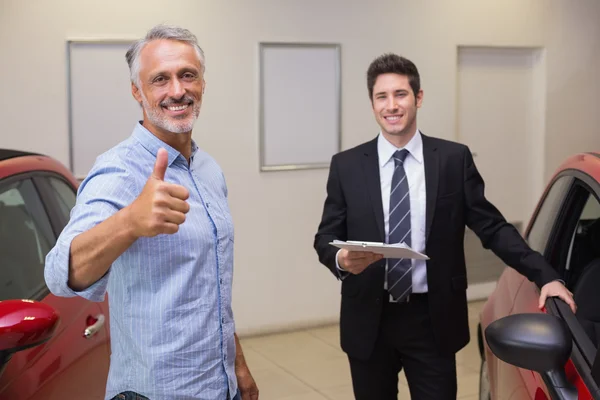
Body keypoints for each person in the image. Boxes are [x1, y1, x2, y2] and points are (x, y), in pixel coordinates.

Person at [313, 53, 576, 400]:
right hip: (369, 319)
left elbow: (493, 228)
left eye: (400, 94)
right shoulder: (346, 166)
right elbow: (325, 237)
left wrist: (547, 275)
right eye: (382, 97)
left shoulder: (453, 159)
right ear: (373, 103)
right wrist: (341, 260)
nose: (391, 105)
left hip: (432, 319)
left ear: (418, 98)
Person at [44, 25, 258, 400]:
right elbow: (60, 273)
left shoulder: (207, 168)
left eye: (187, 75)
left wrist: (237, 364)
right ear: (137, 91)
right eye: (160, 79)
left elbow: (212, 285)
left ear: (203, 84)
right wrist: (130, 221)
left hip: (220, 385)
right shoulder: (119, 170)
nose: (177, 90)